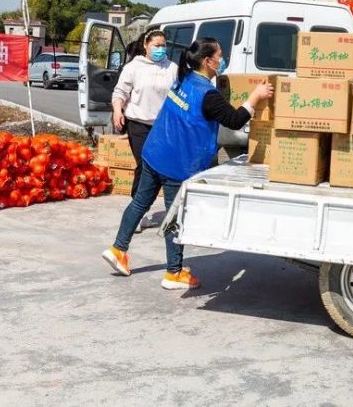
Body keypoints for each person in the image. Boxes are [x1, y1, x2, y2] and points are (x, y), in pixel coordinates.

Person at [102, 38, 273, 290]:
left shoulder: (183, 79)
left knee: (140, 202)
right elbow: (235, 120)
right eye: (219, 55)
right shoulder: (208, 95)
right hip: (176, 163)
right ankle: (173, 273)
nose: (221, 60)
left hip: (155, 152)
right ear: (207, 61)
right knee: (175, 217)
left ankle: (118, 249)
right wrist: (255, 97)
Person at [111, 30, 178, 201]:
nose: (160, 49)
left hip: (164, 126)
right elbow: (120, 92)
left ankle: (163, 205)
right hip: (138, 124)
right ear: (146, 45)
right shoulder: (133, 67)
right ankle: (137, 207)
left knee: (161, 167)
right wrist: (118, 110)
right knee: (144, 165)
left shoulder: (172, 68)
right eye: (156, 45)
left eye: (163, 45)